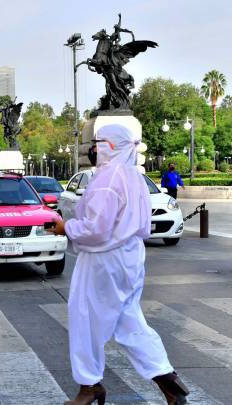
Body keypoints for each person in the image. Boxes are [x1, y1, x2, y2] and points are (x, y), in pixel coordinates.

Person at [52, 124, 189, 405]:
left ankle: (89, 385)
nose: (93, 148)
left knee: (85, 317)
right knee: (128, 320)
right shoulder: (135, 177)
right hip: (130, 257)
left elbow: (97, 228)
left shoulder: (107, 178)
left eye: (97, 142)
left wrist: (65, 226)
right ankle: (167, 379)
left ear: (111, 146)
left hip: (105, 258)